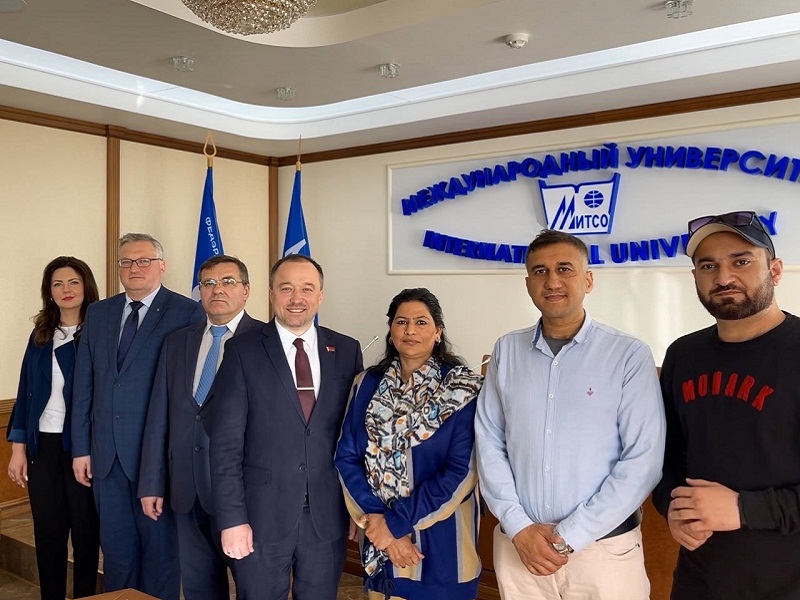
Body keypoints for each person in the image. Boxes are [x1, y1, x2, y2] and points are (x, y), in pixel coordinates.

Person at [474, 229, 666, 600]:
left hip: (603, 551)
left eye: (565, 269)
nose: (552, 281)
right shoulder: (506, 350)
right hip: (520, 547)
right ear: (528, 284)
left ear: (588, 280)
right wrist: (519, 526)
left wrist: (570, 535)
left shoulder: (627, 354)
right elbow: (489, 442)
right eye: (540, 271)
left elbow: (643, 460)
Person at [652, 211, 800, 600]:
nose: (723, 277)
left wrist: (743, 508)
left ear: (775, 270)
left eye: (741, 261)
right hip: (699, 578)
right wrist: (672, 507)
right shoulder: (684, 355)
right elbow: (667, 457)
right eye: (708, 266)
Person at [209, 254, 363, 600]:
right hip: (260, 517)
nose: (296, 298)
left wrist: (358, 507)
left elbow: (354, 439)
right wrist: (232, 519)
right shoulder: (242, 350)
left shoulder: (346, 349)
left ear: (320, 295)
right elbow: (225, 445)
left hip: (327, 517)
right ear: (271, 294)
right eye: (286, 288)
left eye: (307, 289)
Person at [71, 233, 204, 599]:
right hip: (106, 457)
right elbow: (84, 385)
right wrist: (81, 448)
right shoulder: (99, 313)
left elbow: (186, 395)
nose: (134, 268)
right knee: (116, 553)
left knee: (161, 554)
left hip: (157, 459)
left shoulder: (186, 312)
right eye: (126, 261)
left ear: (161, 266)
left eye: (144, 260)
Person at [335, 288, 483, 600]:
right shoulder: (366, 384)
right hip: (380, 540)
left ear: (438, 332)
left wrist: (395, 524)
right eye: (401, 322)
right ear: (391, 331)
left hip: (443, 545)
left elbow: (461, 472)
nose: (410, 330)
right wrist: (381, 525)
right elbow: (346, 457)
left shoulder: (462, 389)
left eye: (421, 322)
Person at [137, 255, 262, 600]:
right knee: (199, 589)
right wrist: (151, 483)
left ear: (246, 290)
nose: (217, 289)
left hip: (245, 495)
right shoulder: (177, 342)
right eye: (208, 283)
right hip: (186, 490)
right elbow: (159, 417)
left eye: (228, 282)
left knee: (253, 587)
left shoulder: (265, 341)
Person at [6, 256, 101, 600]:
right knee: (48, 533)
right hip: (42, 446)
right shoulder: (41, 334)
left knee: (86, 533)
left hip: (83, 447)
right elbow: (24, 392)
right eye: (57, 283)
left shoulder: (99, 332)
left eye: (73, 282)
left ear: (86, 286)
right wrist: (18, 449)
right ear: (49, 291)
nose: (66, 289)